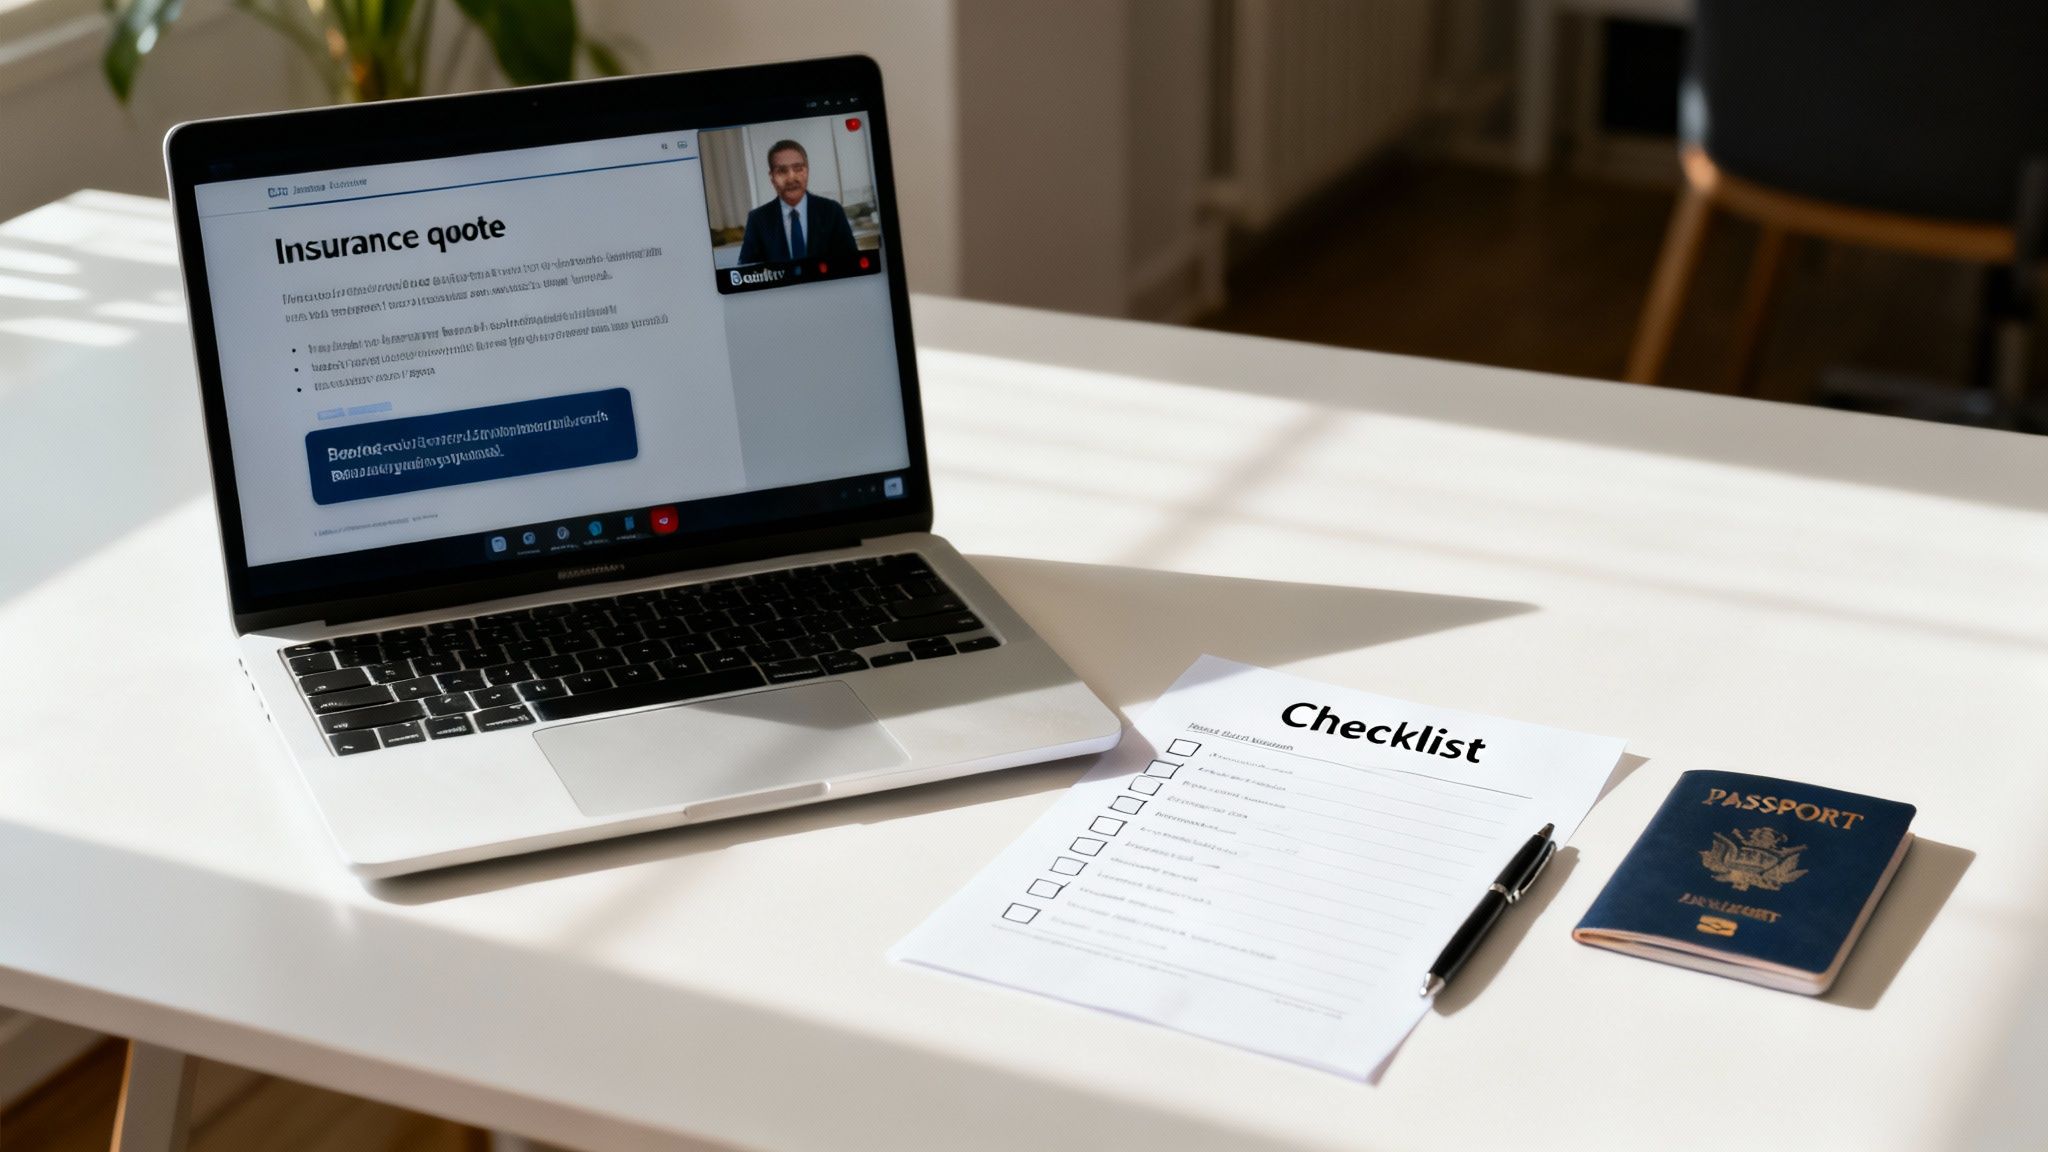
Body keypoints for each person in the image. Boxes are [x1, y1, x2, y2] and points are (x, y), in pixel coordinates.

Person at [736, 139, 862, 267]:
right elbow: (747, 271)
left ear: (807, 171)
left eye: (798, 168)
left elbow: (851, 263)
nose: (791, 178)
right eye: (782, 171)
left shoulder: (832, 211)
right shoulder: (757, 219)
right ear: (772, 178)